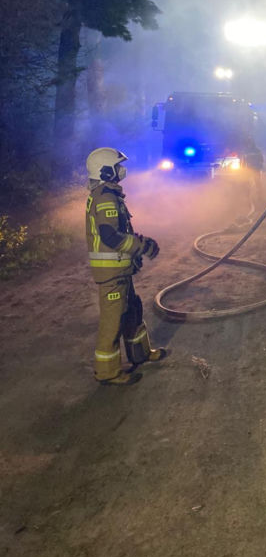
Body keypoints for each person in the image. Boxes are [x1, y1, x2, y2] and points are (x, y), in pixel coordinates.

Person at [86, 147, 167, 386]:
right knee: (113, 321)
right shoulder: (105, 197)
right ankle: (108, 372)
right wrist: (142, 246)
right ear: (106, 171)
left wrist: (133, 255)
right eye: (117, 166)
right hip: (111, 274)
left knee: (132, 310)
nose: (122, 170)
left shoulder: (111, 194)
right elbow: (111, 236)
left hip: (121, 269)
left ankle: (140, 354)